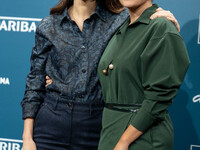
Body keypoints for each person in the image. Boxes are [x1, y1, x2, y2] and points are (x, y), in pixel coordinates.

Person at [21, 0, 181, 150]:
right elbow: (35, 82)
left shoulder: (120, 21)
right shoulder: (49, 25)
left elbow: (146, 23)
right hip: (51, 121)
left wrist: (167, 20)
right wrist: (27, 137)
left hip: (96, 122)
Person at [97, 0, 190, 150]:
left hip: (141, 136)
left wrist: (124, 142)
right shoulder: (121, 27)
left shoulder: (161, 26)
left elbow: (158, 98)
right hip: (111, 131)